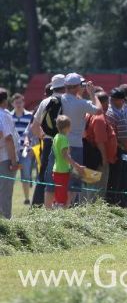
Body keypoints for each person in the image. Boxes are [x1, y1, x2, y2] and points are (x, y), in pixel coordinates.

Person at [59, 73, 103, 204]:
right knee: (74, 180)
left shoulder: (60, 99)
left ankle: (60, 206)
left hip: (60, 142)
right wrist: (93, 94)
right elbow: (99, 111)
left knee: (62, 177)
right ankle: (68, 207)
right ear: (77, 87)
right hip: (76, 145)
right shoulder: (81, 103)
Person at [29, 74, 66, 207]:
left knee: (44, 175)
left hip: (49, 142)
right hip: (66, 143)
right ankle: (62, 206)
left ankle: (38, 206)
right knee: (65, 175)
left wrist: (44, 136)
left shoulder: (45, 102)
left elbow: (34, 127)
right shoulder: (69, 100)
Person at [106, 87, 127, 208]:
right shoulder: (116, 114)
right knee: (120, 178)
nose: (124, 103)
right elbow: (125, 139)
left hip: (122, 150)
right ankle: (119, 204)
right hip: (121, 150)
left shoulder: (118, 110)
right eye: (122, 100)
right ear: (115, 100)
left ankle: (120, 203)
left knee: (123, 175)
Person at [83, 91, 115, 201]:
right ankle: (94, 213)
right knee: (97, 190)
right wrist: (104, 160)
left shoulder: (89, 114)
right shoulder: (99, 118)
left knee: (90, 188)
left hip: (90, 159)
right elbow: (100, 141)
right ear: (105, 103)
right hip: (98, 161)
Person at [50, 115, 85, 208]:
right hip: (62, 171)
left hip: (57, 169)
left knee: (59, 195)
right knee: (62, 198)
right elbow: (65, 155)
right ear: (67, 127)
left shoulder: (56, 137)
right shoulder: (63, 138)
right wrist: (76, 166)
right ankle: (60, 215)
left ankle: (56, 210)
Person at [10, 93, 34, 204]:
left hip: (26, 151)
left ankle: (27, 198)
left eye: (20, 102)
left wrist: (32, 148)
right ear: (12, 104)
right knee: (10, 176)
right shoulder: (9, 116)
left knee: (26, 175)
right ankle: (7, 197)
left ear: (24, 103)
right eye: (16, 102)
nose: (19, 104)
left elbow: (33, 134)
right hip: (12, 152)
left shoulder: (30, 116)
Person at [0, 90, 21, 218]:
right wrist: (14, 162)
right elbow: (8, 139)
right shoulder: (3, 115)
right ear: (5, 101)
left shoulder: (5, 114)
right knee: (5, 193)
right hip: (5, 159)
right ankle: (6, 223)